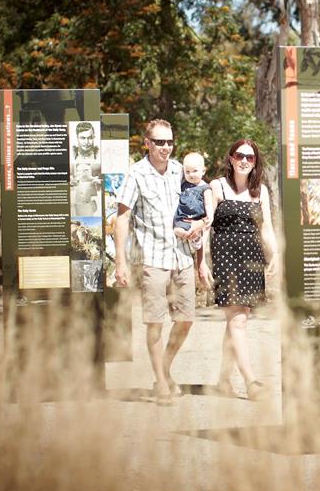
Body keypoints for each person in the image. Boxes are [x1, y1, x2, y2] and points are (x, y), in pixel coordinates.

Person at [114, 119, 209, 406]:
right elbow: (122, 217)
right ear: (147, 143)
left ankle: (163, 369)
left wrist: (201, 226)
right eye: (159, 142)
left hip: (182, 256)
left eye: (169, 142)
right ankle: (162, 385)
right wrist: (120, 261)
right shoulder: (137, 174)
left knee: (186, 319)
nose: (165, 147)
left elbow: (203, 204)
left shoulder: (182, 170)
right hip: (153, 258)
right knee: (154, 322)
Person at [199, 139, 277, 400]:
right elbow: (206, 226)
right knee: (239, 320)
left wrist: (274, 254)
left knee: (237, 321)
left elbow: (266, 228)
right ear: (231, 158)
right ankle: (251, 381)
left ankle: (223, 380)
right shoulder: (217, 186)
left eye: (250, 157)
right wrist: (202, 262)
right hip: (226, 258)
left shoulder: (260, 192)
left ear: (255, 162)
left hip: (252, 258)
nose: (245, 161)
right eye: (240, 156)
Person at [173, 152, 214, 251]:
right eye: (187, 172)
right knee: (177, 229)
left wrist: (210, 216)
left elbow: (208, 205)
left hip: (196, 219)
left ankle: (196, 238)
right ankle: (183, 233)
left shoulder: (205, 188)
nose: (191, 174)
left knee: (195, 231)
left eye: (195, 171)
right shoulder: (183, 185)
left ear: (203, 171)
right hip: (182, 218)